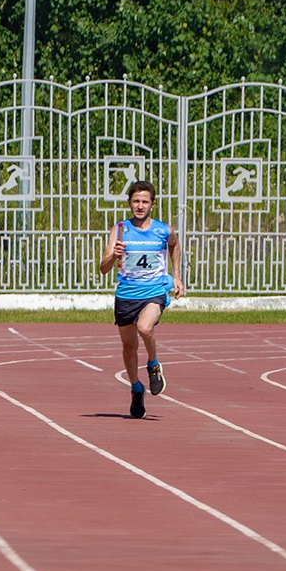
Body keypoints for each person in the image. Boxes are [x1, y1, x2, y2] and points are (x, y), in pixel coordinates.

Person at [102, 179, 182, 419]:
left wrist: (176, 276)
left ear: (152, 204)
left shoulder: (162, 229)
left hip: (154, 291)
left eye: (144, 201)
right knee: (129, 346)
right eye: (136, 201)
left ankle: (153, 364)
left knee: (145, 327)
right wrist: (112, 255)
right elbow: (104, 267)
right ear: (129, 203)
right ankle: (136, 388)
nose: (140, 205)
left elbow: (174, 245)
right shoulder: (120, 229)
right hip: (126, 294)